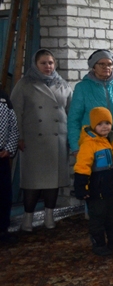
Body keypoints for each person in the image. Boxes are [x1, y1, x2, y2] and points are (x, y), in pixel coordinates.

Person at [10, 49, 73, 232]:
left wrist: (71, 137)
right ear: (35, 64)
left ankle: (49, 216)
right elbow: (16, 113)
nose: (48, 66)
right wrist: (19, 137)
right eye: (43, 63)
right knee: (32, 181)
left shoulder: (63, 84)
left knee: (53, 181)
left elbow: (71, 112)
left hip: (57, 140)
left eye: (50, 63)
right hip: (33, 141)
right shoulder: (24, 84)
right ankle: (28, 218)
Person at [73, 107, 113, 256]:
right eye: (99, 124)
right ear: (93, 125)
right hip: (96, 191)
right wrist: (81, 187)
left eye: (107, 123)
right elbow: (82, 167)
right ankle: (99, 243)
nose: (104, 127)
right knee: (97, 218)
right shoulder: (89, 144)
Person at [68, 50, 113, 154]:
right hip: (92, 144)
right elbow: (74, 120)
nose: (106, 67)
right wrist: (75, 147)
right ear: (93, 67)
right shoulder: (82, 88)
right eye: (101, 64)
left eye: (109, 64)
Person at [0, 89, 20, 245]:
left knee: (3, 195)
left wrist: (9, 148)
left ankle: (2, 230)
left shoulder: (3, 97)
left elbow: (13, 125)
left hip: (2, 155)